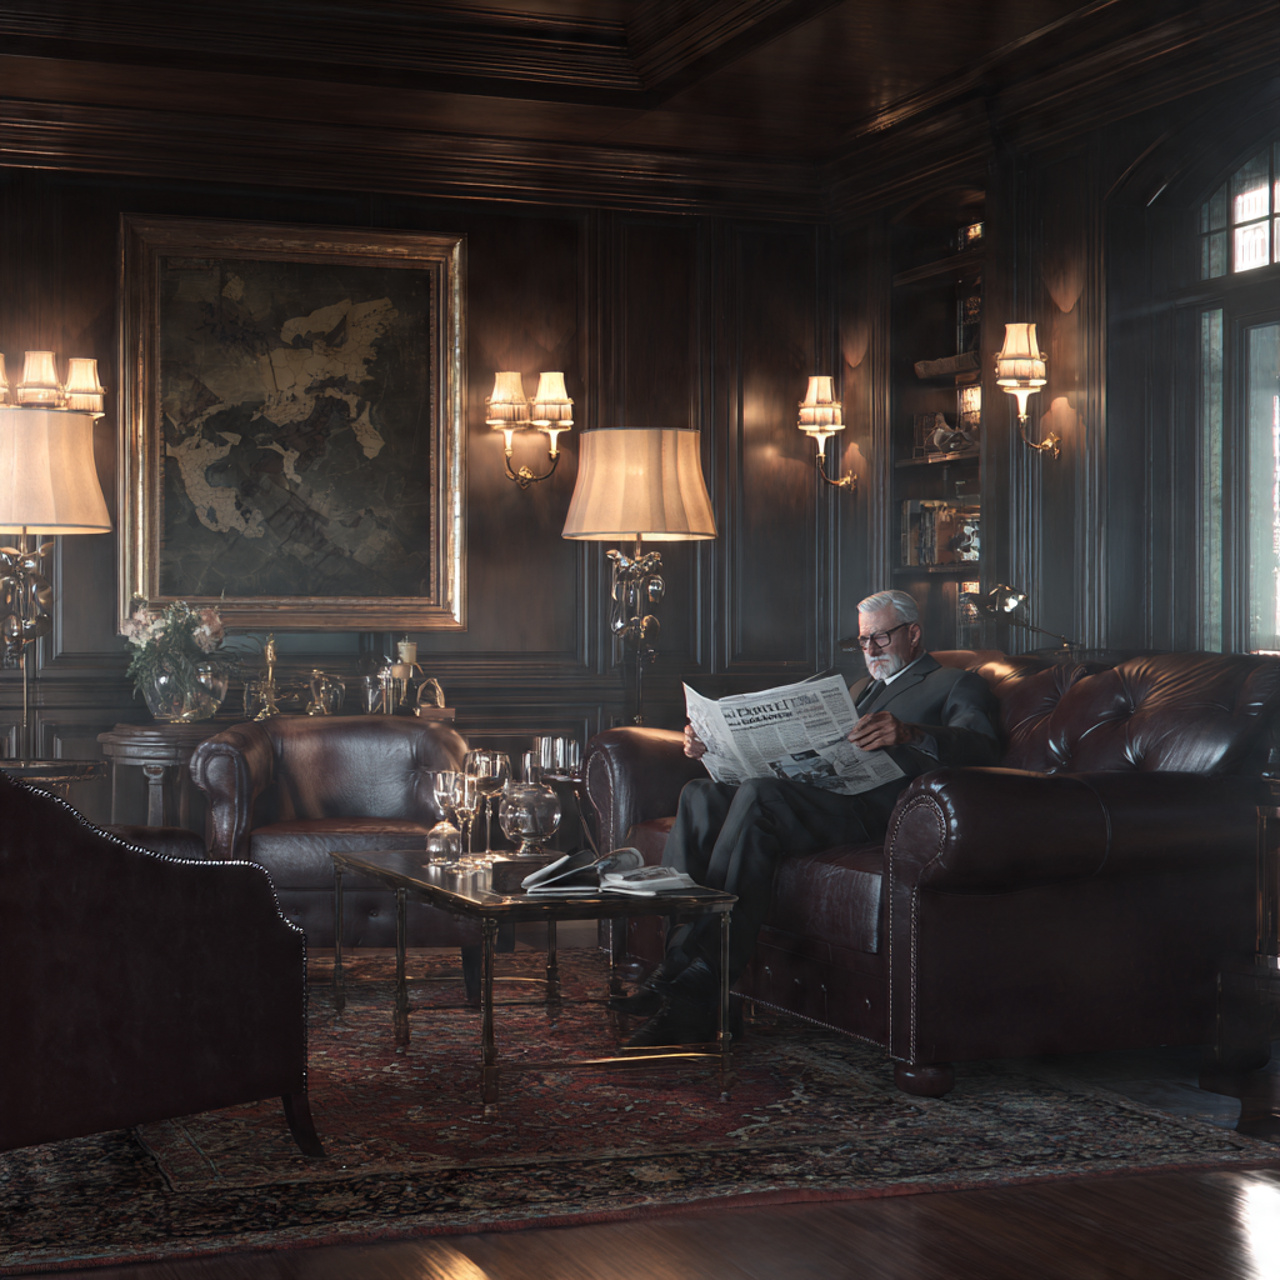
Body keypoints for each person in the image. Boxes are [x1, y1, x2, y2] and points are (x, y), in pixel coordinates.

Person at [621, 589, 1001, 1047]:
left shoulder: (956, 683)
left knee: (760, 798)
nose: (870, 652)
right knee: (700, 794)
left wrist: (912, 732)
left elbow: (983, 748)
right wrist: (714, 746)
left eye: (880, 639)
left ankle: (700, 979)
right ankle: (680, 970)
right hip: (827, 797)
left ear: (914, 633)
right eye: (863, 642)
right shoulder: (860, 690)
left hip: (883, 812)